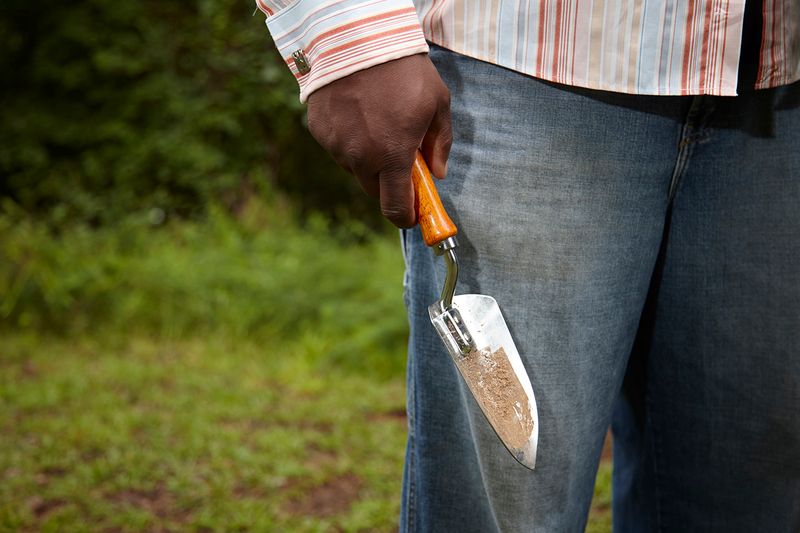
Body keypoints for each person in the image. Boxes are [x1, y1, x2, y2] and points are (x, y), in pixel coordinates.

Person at [257, 0, 800, 530]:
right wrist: (349, 37)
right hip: (521, 63)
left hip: (779, 83)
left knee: (754, 485)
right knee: (512, 510)